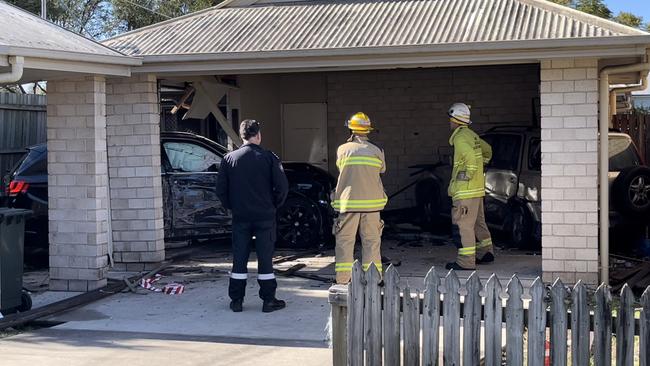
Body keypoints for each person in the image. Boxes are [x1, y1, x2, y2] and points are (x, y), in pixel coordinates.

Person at [216, 120, 289, 313]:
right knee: (265, 259)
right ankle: (268, 300)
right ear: (258, 135)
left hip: (241, 217)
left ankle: (237, 301)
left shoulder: (229, 159)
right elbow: (282, 187)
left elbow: (221, 190)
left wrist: (233, 207)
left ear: (242, 136)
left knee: (239, 258)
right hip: (265, 217)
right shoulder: (269, 158)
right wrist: (273, 206)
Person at [332, 112, 387, 284]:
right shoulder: (377, 150)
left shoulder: (342, 150)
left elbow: (341, 168)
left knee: (345, 242)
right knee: (372, 243)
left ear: (351, 129)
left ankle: (343, 280)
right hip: (372, 206)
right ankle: (374, 280)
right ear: (368, 130)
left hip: (349, 205)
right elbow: (382, 170)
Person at [446, 103, 494, 270]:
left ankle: (466, 261)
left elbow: (471, 160)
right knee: (478, 222)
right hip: (477, 190)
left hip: (466, 191)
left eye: (450, 119)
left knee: (463, 225)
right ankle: (485, 252)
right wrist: (482, 166)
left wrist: (467, 175)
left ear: (455, 119)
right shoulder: (472, 135)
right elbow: (488, 150)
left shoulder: (460, 138)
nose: (449, 122)